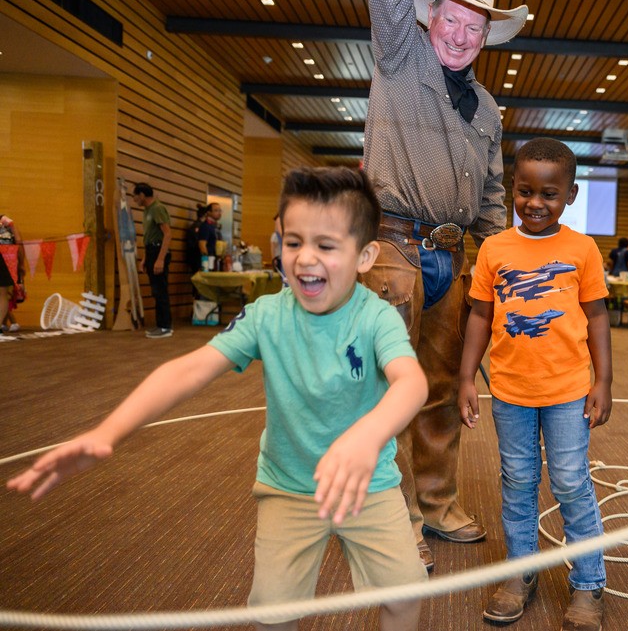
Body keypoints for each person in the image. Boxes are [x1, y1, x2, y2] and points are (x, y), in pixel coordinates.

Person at [8, 167, 430, 631]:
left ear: (365, 256)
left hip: (369, 485)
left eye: (326, 246)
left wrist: (366, 438)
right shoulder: (266, 315)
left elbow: (410, 382)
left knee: (405, 592)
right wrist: (108, 432)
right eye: (293, 242)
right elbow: (187, 370)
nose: (305, 258)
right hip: (289, 486)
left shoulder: (376, 318)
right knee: (273, 612)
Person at [360, 0, 529, 570]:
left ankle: (435, 503)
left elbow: (490, 195)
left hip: (453, 262)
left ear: (486, 36)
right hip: (392, 251)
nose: (460, 35)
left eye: (474, 27)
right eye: (452, 19)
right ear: (430, 16)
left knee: (438, 388)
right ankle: (390, 519)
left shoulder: (486, 107)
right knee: (386, 393)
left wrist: (491, 261)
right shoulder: (399, 54)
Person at [457, 138, 611, 631]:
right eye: (524, 191)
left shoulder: (582, 249)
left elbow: (598, 317)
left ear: (571, 194)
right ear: (511, 191)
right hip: (510, 391)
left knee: (570, 481)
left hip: (568, 390)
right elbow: (480, 314)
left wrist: (603, 379)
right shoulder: (494, 249)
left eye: (549, 193)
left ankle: (588, 582)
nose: (535, 203)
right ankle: (521, 573)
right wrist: (466, 377)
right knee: (518, 483)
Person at [131, 183, 173, 338]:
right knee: (156, 291)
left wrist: (160, 259)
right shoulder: (148, 210)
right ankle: (160, 325)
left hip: (158, 252)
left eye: (134, 195)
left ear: (142, 195)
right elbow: (150, 237)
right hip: (151, 251)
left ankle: (165, 327)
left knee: (160, 290)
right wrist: (145, 258)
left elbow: (167, 234)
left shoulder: (157, 208)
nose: (134, 199)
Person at [0, 214, 26, 333]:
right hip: (8, 263)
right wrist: (21, 264)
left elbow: (19, 243)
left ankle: (7, 322)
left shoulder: (6, 222)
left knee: (6, 295)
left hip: (8, 263)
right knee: (4, 294)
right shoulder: (7, 222)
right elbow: (19, 242)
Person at [198, 202, 223, 271]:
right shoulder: (205, 226)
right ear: (209, 212)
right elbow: (202, 245)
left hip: (215, 261)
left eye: (220, 210)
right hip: (209, 261)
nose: (219, 213)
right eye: (216, 210)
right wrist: (206, 265)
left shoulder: (215, 227)